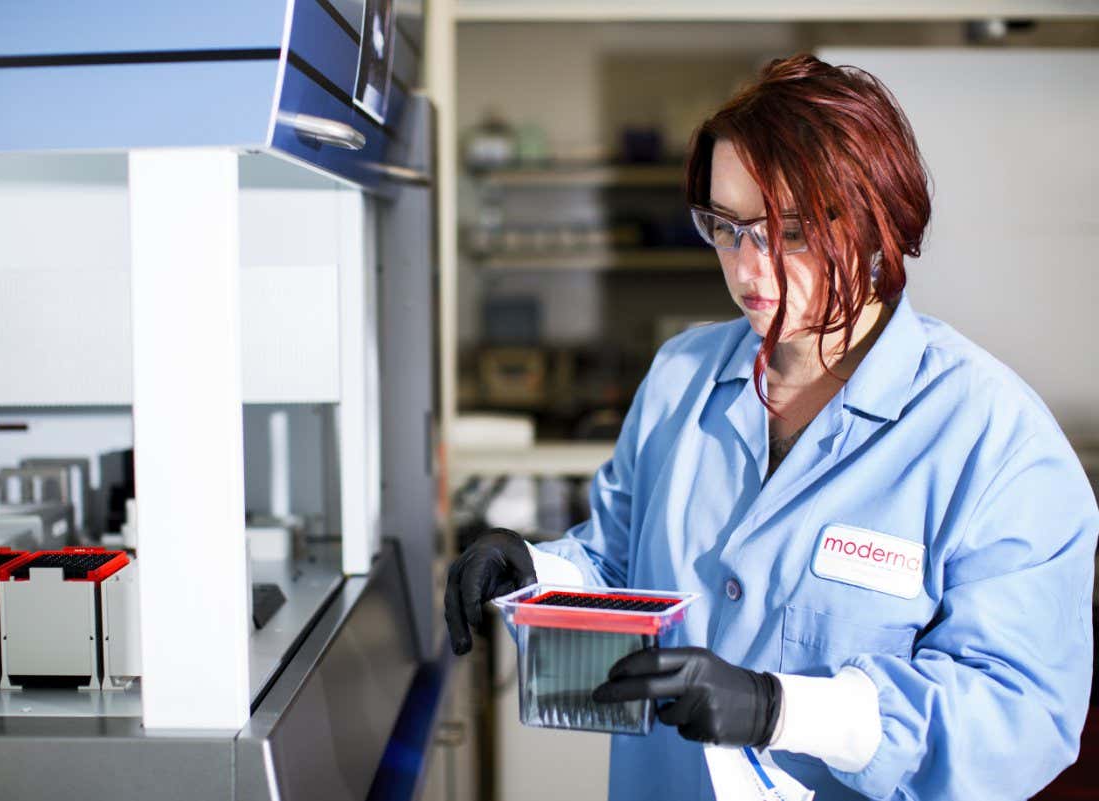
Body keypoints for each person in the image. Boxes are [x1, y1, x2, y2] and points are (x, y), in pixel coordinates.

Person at [444, 54, 1099, 801]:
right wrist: (540, 575)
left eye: (788, 231)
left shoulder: (996, 441)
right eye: (724, 227)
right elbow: (622, 566)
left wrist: (779, 709)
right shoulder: (681, 376)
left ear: (877, 217)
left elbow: (1021, 716)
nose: (749, 269)